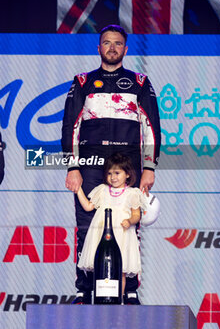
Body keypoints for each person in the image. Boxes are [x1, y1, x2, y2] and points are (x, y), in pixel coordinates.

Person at [61, 24, 161, 304]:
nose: (112, 48)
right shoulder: (82, 82)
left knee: (131, 224)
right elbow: (71, 125)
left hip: (128, 162)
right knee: (86, 224)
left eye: (118, 43)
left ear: (126, 49)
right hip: (91, 162)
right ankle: (85, 289)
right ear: (99, 48)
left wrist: (149, 167)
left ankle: (129, 290)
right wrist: (73, 166)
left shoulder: (140, 82)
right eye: (107, 43)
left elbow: (150, 125)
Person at [77, 153, 147, 298]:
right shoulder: (102, 190)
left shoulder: (132, 193)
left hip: (122, 234)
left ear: (127, 174)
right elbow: (89, 206)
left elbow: (136, 215)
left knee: (120, 269)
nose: (113, 177)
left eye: (117, 173)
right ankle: (100, 299)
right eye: (109, 173)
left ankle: (118, 300)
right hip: (101, 235)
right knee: (100, 268)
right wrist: (78, 190)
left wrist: (129, 221)